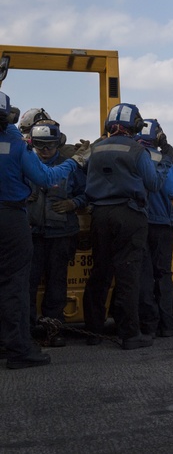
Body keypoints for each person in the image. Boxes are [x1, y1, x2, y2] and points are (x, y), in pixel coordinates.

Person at [0, 91, 88, 369]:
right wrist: (75, 162)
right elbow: (46, 178)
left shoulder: (18, 143)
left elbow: (84, 193)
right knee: (15, 284)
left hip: (51, 232)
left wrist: (72, 203)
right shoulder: (15, 145)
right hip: (11, 219)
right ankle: (19, 348)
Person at [82, 103, 164, 350]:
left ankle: (93, 332)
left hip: (100, 215)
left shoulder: (94, 148)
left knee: (100, 273)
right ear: (136, 125)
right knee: (128, 275)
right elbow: (154, 184)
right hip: (129, 215)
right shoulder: (137, 150)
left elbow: (80, 175)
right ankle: (130, 335)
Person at [26, 119, 87, 347]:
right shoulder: (25, 162)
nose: (44, 151)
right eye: (39, 145)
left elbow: (86, 192)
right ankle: (28, 331)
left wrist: (73, 203)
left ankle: (53, 330)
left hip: (61, 235)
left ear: (58, 144)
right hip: (32, 235)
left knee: (56, 284)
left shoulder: (69, 166)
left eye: (49, 145)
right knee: (28, 284)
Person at [135, 119, 173, 338]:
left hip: (139, 222)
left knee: (143, 273)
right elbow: (172, 190)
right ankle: (167, 324)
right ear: (158, 136)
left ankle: (147, 324)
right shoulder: (162, 158)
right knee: (163, 273)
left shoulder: (132, 155)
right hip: (162, 223)